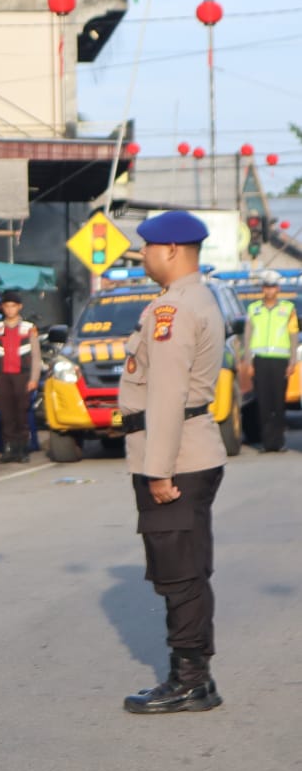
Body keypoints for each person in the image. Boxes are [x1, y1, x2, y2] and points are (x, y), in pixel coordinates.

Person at [118, 211, 227, 714]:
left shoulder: (175, 311)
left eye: (145, 247)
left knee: (179, 572)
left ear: (172, 250)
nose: (142, 255)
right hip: (186, 449)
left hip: (176, 456)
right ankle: (193, 677)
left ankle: (189, 680)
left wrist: (157, 470)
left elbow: (165, 395)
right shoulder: (189, 300)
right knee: (184, 567)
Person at [241, 269, 298, 453]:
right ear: (263, 289)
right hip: (260, 361)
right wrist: (248, 362)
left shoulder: (288, 309)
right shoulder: (253, 309)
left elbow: (293, 336)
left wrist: (292, 362)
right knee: (263, 403)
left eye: (272, 287)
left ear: (278, 289)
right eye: (266, 287)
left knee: (278, 403)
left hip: (280, 361)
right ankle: (267, 443)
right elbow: (247, 337)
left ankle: (278, 441)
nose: (269, 290)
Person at [0, 292, 42, 464]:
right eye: (6, 306)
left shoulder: (29, 328)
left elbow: (35, 355)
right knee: (5, 413)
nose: (10, 310)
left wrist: (34, 378)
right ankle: (9, 449)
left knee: (22, 412)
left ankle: (22, 448)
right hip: (3, 376)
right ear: (2, 308)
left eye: (13, 306)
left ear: (19, 307)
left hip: (22, 376)